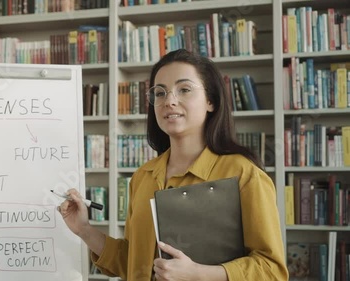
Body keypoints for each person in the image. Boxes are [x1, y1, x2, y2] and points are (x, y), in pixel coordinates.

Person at [57, 49, 288, 281]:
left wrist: (200, 274)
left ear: (211, 101)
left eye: (184, 90)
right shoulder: (143, 176)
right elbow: (135, 262)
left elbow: (272, 271)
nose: (169, 101)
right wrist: (84, 230)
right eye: (159, 93)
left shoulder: (243, 174)